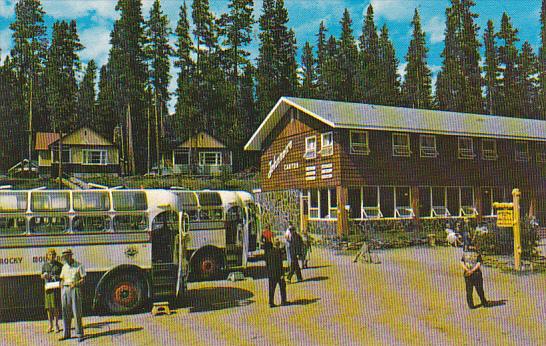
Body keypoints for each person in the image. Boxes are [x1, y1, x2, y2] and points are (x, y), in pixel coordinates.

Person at [59, 249, 86, 342]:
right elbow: (62, 278)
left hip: (75, 288)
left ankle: (80, 334)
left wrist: (76, 283)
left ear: (71, 256)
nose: (65, 258)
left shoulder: (79, 265)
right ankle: (66, 334)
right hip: (65, 290)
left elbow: (83, 279)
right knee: (65, 312)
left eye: (67, 256)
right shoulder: (64, 266)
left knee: (76, 312)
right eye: (64, 257)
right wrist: (61, 283)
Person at [41, 249, 62, 333]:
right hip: (48, 288)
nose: (51, 256)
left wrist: (55, 277)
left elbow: (62, 275)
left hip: (56, 288)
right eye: (50, 255)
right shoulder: (45, 265)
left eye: (53, 255)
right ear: (47, 256)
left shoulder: (59, 265)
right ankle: (50, 325)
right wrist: (44, 276)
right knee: (49, 308)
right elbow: (41, 275)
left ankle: (56, 324)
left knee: (56, 307)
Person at [266, 238, 288, 307]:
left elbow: (267, 263)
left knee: (271, 288)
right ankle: (283, 301)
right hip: (278, 273)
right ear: (278, 245)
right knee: (282, 287)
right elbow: (279, 264)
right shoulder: (278, 252)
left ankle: (271, 302)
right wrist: (282, 274)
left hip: (271, 273)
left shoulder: (269, 252)